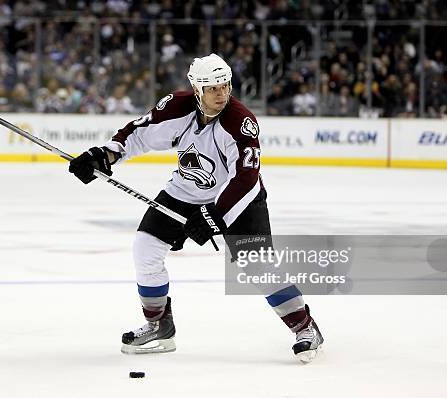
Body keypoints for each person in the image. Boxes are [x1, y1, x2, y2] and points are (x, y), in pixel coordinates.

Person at [68, 54, 324, 362]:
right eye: (212, 88)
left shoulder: (240, 122)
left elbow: (246, 177)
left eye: (225, 86)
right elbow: (138, 134)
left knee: (257, 267)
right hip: (185, 191)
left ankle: (305, 327)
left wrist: (215, 216)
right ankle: (159, 325)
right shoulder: (177, 107)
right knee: (145, 248)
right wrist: (104, 155)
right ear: (197, 88)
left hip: (238, 198)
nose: (221, 94)